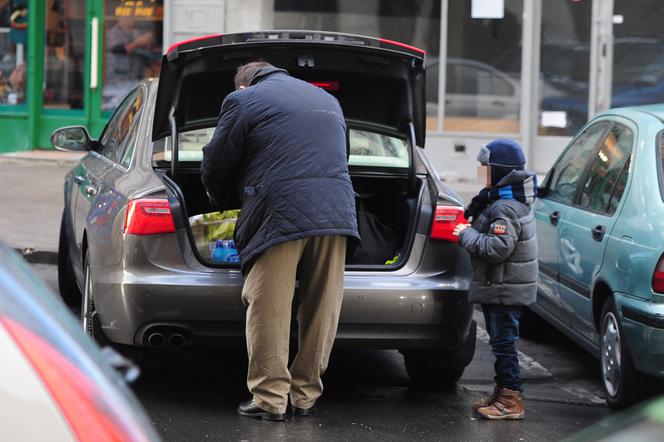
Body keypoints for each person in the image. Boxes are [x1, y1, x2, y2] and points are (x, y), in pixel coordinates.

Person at [201, 61, 359, 421]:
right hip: (336, 210)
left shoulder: (244, 100)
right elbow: (342, 155)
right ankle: (305, 396)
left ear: (243, 84)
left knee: (269, 303)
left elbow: (217, 159)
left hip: (279, 212)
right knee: (323, 304)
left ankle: (270, 398)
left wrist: (220, 199)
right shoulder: (326, 100)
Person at [452, 139, 538, 420]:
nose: (480, 172)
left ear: (499, 170)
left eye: (485, 167)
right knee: (502, 341)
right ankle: (503, 393)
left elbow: (496, 248)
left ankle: (511, 400)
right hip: (502, 285)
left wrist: (465, 233)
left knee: (503, 344)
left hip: (504, 288)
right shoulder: (500, 200)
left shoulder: (505, 208)